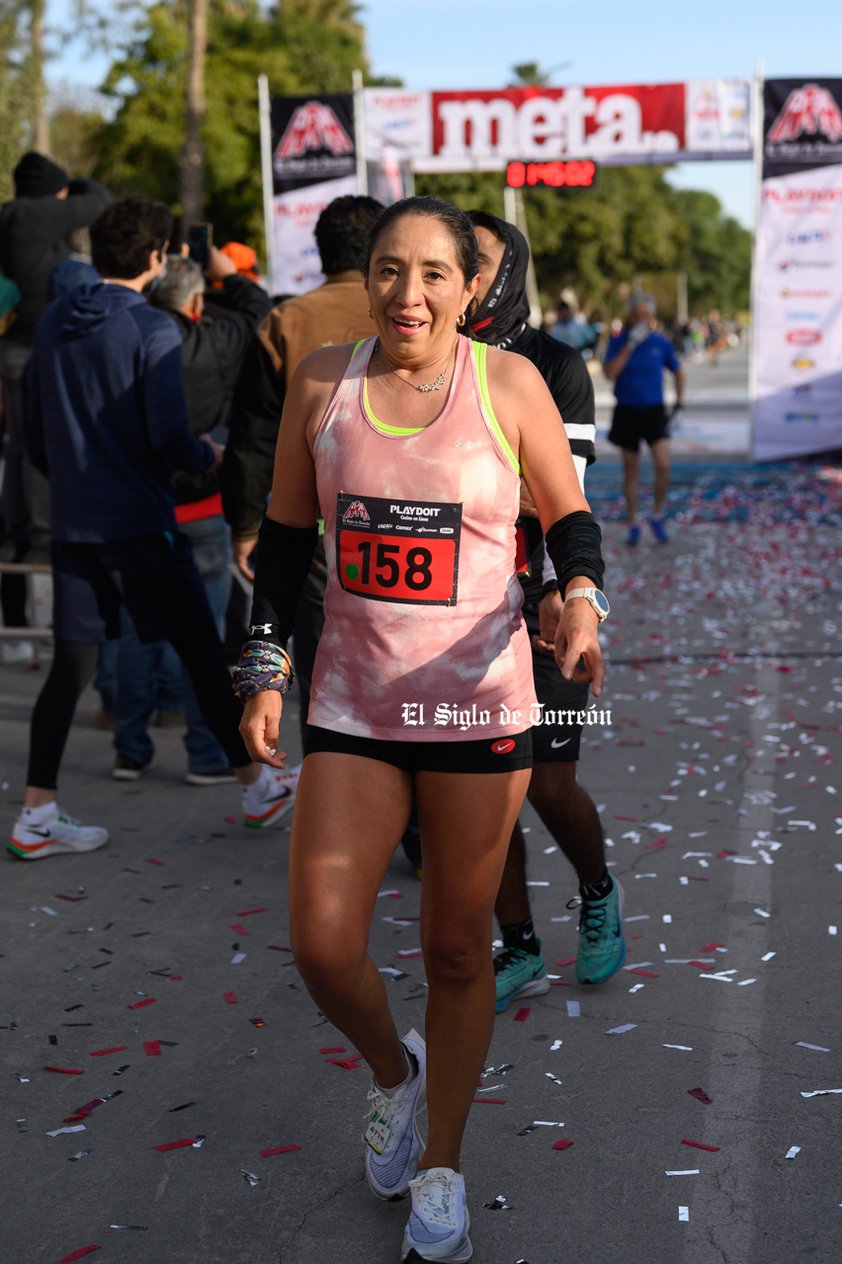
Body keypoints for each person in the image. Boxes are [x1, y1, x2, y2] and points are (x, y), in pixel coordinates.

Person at [235, 196, 607, 1263]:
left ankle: (439, 1158)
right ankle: (396, 1074)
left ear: (470, 286)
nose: (408, 293)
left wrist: (577, 594)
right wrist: (265, 671)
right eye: (389, 270)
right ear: (368, 280)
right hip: (353, 705)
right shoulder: (323, 382)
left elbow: (566, 516)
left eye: (434, 273)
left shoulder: (510, 384)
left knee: (455, 945)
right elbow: (286, 542)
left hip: (473, 703)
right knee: (319, 942)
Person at [7, 196, 291, 862]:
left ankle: (37, 813)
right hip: (138, 520)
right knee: (199, 652)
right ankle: (258, 789)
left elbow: (36, 432)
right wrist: (209, 458)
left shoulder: (52, 322)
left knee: (73, 663)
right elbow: (169, 436)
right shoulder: (152, 329)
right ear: (157, 258)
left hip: (75, 522)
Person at [467, 210, 625, 1011]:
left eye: (475, 259)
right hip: (455, 611)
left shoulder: (553, 364)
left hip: (545, 601)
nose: (456, 273)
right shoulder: (423, 359)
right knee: (485, 786)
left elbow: (562, 501)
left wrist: (569, 596)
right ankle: (518, 945)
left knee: (548, 783)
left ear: (507, 271)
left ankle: (597, 892)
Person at [221, 193, 383, 743]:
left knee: (324, 674)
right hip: (410, 524)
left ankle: (338, 793)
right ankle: (412, 818)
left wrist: (245, 526)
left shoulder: (284, 321)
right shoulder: (412, 314)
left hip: (316, 532)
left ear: (320, 252)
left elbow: (252, 438)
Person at [108, 249, 273, 783]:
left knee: (136, 629)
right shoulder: (216, 341)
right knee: (203, 636)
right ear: (197, 301)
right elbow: (258, 308)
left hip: (143, 506)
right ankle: (205, 752)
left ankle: (130, 749)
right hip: (203, 507)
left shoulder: (127, 340)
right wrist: (223, 270)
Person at [603, 294, 684, 546]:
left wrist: (679, 402)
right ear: (630, 316)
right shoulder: (618, 341)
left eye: (645, 315)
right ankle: (633, 521)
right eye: (636, 314)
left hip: (654, 411)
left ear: (652, 317)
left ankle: (657, 514)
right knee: (631, 469)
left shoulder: (661, 342)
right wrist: (629, 345)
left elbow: (678, 370)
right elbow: (609, 373)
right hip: (627, 411)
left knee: (663, 465)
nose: (640, 320)